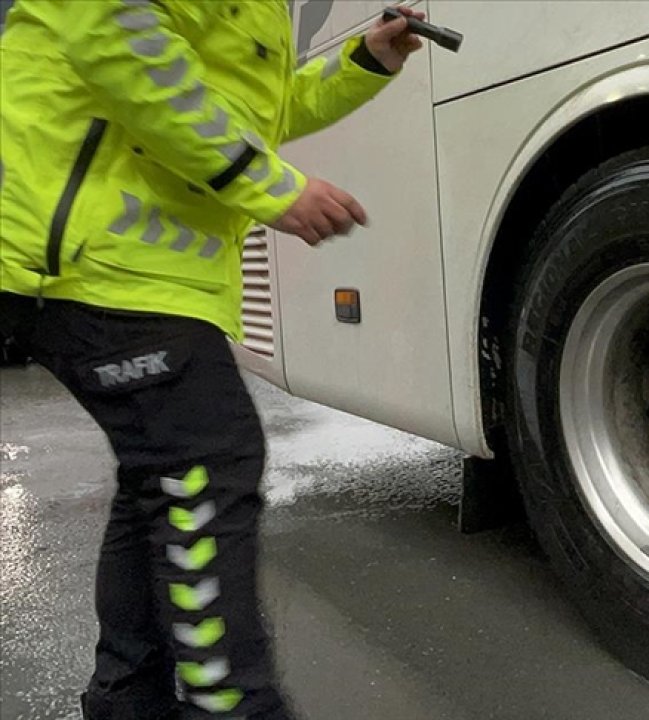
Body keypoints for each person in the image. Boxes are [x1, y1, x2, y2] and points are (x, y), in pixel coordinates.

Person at [0, 2, 426, 717]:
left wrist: (365, 63)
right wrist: (272, 189)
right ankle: (230, 705)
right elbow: (116, 36)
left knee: (161, 480)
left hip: (129, 269)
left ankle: (127, 699)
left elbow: (256, 109)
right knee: (210, 458)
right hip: (86, 259)